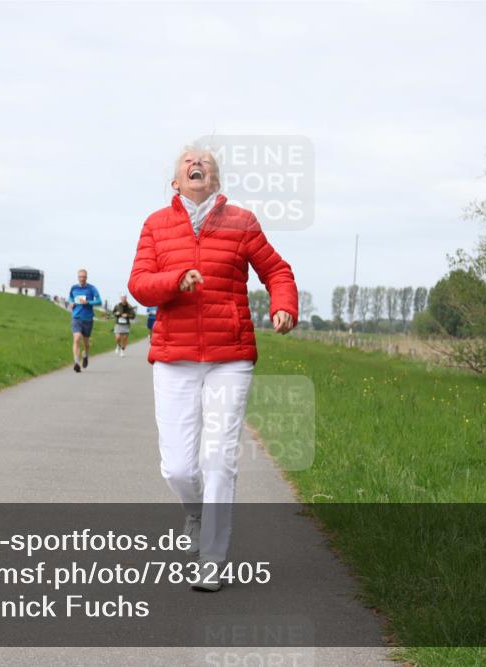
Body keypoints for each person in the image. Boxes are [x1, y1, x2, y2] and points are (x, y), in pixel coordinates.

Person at [128, 145, 297, 592]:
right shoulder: (156, 225)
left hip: (230, 356)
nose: (196, 163)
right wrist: (176, 279)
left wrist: (284, 307)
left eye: (205, 162)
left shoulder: (242, 223)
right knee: (179, 468)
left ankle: (211, 558)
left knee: (219, 458)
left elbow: (277, 270)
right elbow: (140, 285)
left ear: (216, 181)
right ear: (176, 181)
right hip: (174, 358)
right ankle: (194, 510)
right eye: (187, 161)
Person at [68, 269, 102, 373]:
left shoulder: (91, 288)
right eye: (80, 277)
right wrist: (71, 303)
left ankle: (86, 355)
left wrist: (88, 302)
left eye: (84, 277)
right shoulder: (74, 288)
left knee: (86, 343)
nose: (82, 278)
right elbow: (70, 297)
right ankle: (76, 363)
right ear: (78, 277)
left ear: (86, 277)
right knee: (77, 338)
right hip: (76, 317)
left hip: (88, 318)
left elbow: (99, 301)